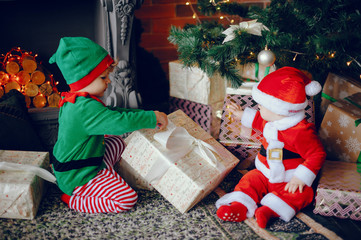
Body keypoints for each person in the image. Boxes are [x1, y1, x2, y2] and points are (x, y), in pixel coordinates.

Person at [49, 37, 168, 213]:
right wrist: (150, 118)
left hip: (78, 163)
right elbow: (119, 122)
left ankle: (106, 176)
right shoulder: (85, 109)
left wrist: (149, 114)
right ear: (84, 79)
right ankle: (75, 200)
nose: (109, 81)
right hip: (78, 176)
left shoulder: (78, 101)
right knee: (127, 199)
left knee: (118, 142)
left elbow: (115, 112)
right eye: (103, 77)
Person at [215, 67, 326, 228]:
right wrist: (241, 115)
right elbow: (260, 121)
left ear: (280, 109)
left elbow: (317, 154)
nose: (258, 107)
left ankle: (270, 210)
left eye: (262, 105)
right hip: (264, 172)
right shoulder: (273, 120)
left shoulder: (300, 132)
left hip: (288, 178)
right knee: (249, 179)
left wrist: (300, 177)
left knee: (303, 194)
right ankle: (240, 205)